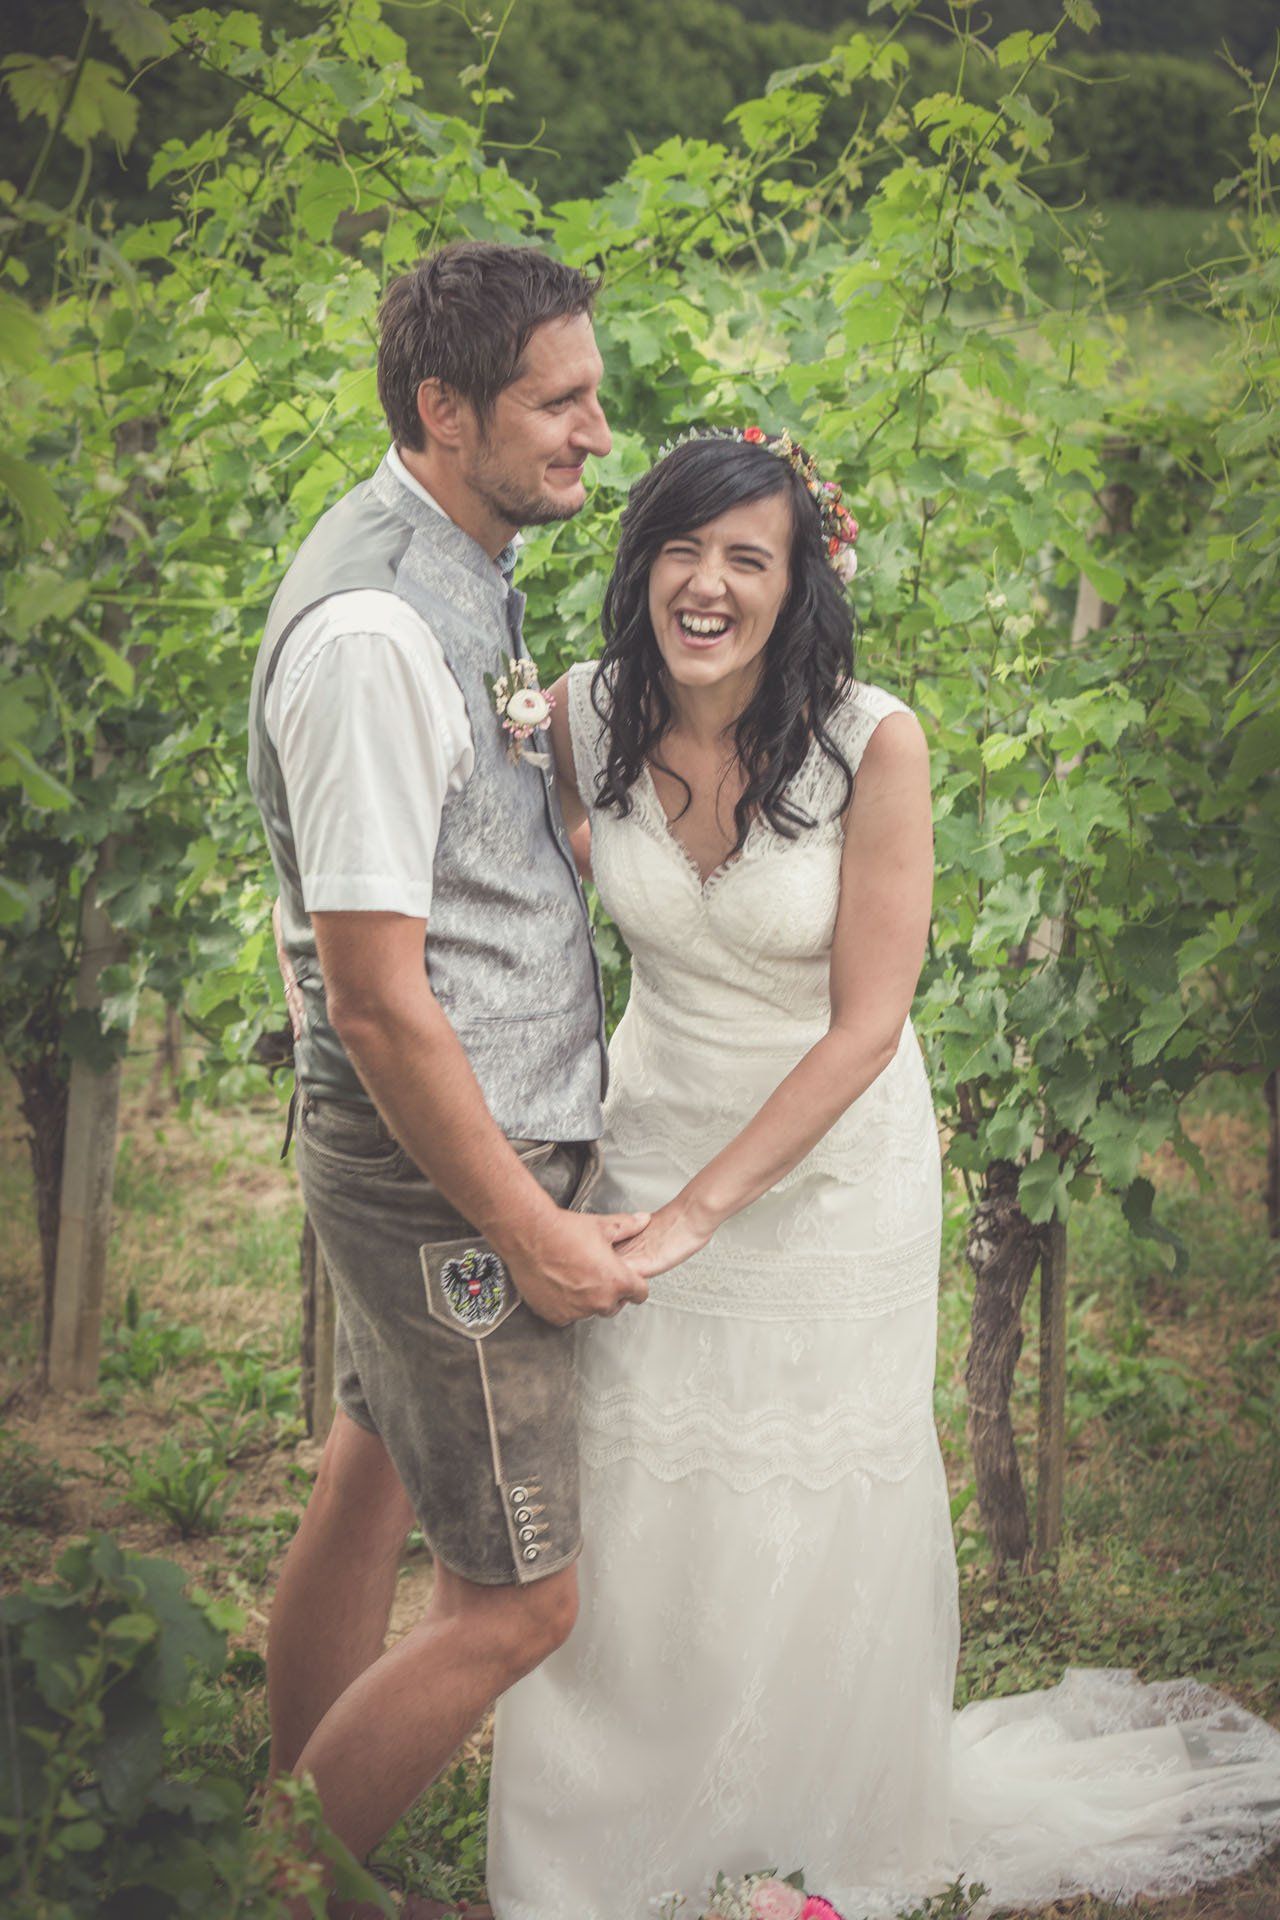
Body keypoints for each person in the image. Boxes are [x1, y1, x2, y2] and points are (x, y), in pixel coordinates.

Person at [484, 428, 1280, 1918]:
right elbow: (510, 872)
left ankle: (805, 1832)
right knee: (644, 1491)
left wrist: (700, 1214)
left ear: (800, 587)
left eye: (748, 558)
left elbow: (867, 1026)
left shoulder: (871, 743)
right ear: (641, 563)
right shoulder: (581, 715)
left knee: (810, 1493)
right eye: (682, 548)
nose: (709, 584)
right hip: (647, 1135)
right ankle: (616, 1843)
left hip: (831, 1174)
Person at [246, 240, 653, 1917]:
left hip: (438, 1151)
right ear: (445, 408)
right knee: (520, 1602)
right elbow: (375, 998)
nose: (597, 435)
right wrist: (531, 1230)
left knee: (372, 1475)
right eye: (561, 404)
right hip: (445, 1168)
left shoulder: (451, 555)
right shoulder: (370, 635)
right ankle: (264, 1888)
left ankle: (308, 1839)